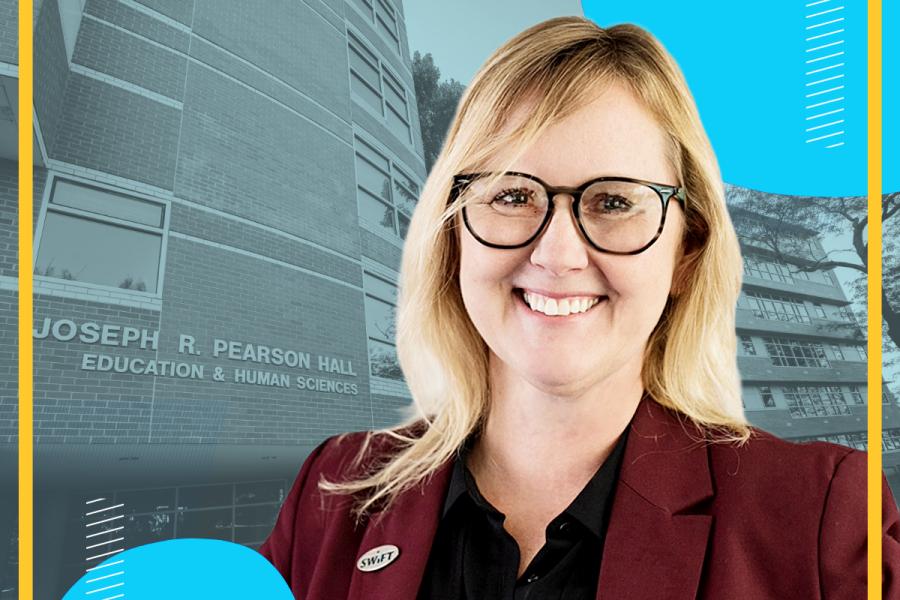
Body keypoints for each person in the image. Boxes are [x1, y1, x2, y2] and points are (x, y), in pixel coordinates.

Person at [260, 16, 900, 599]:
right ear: (454, 235)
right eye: (512, 195)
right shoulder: (335, 491)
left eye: (615, 202)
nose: (558, 254)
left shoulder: (823, 520)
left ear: (685, 250)